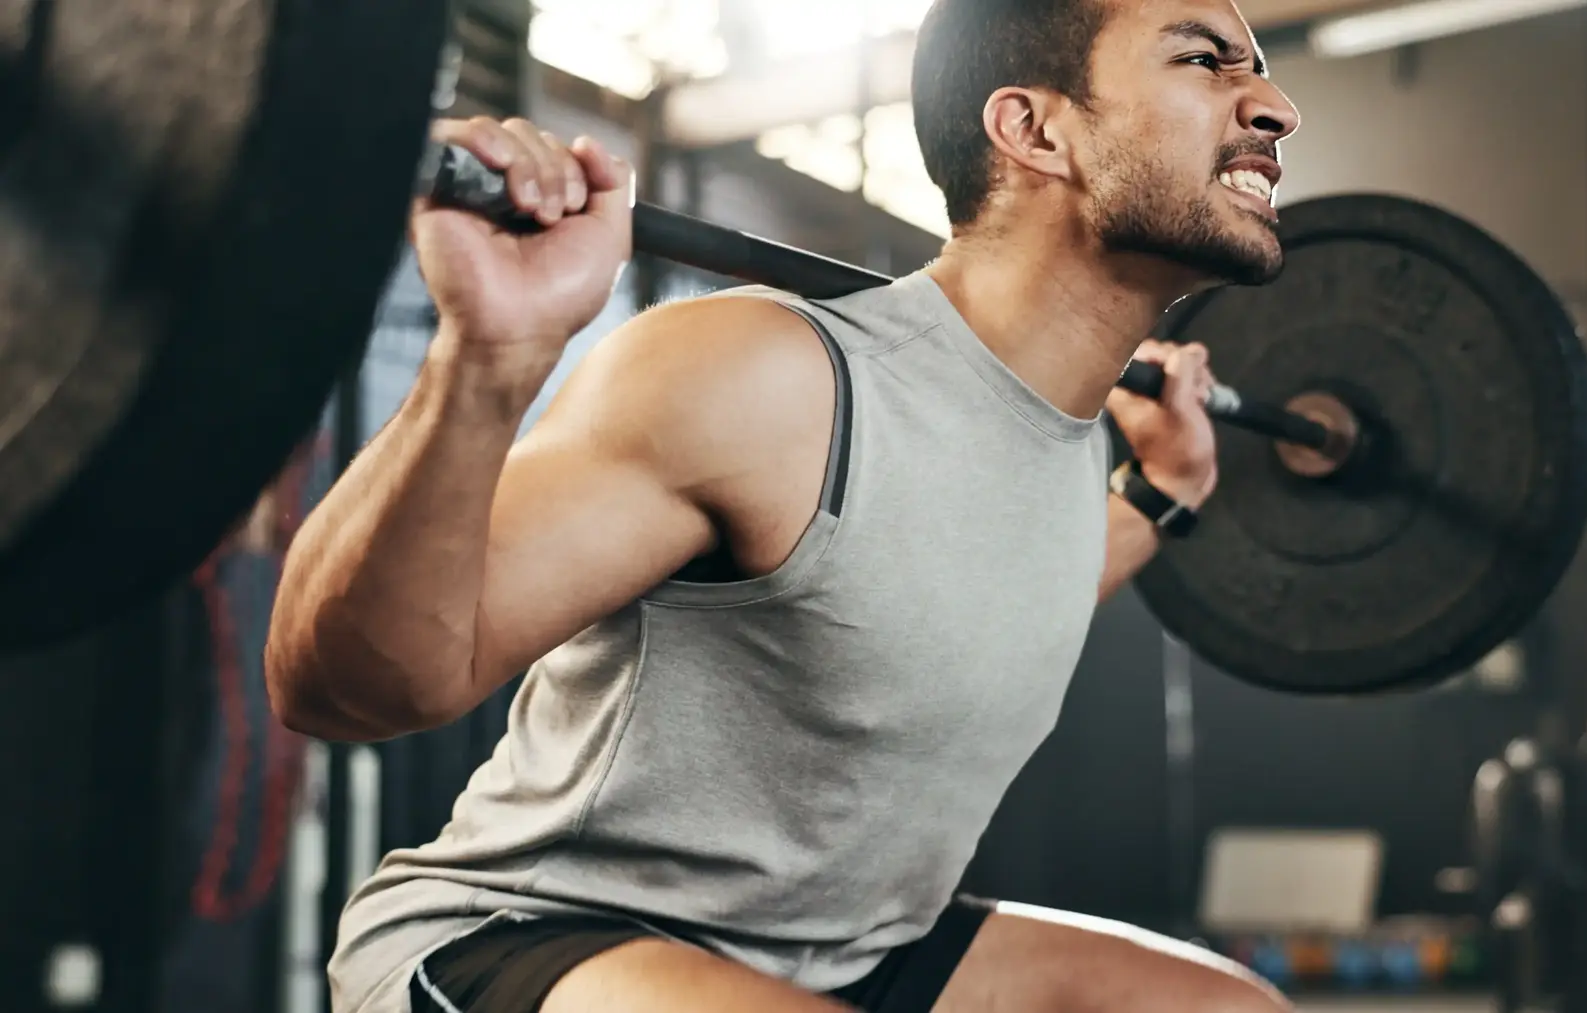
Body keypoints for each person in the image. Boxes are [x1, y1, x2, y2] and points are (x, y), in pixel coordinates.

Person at [267, 0, 1301, 1009]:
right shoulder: (769, 376)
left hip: (854, 950)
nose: (1274, 107)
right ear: (1034, 129)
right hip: (550, 936)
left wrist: (1161, 494)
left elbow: (972, 603)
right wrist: (490, 358)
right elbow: (343, 689)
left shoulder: (1062, 443)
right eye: (1206, 60)